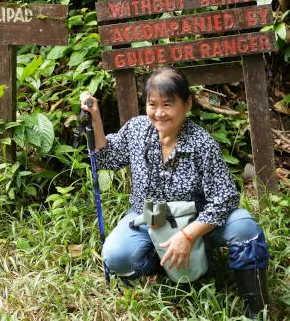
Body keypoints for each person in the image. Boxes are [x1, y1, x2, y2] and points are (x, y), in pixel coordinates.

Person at [80, 66, 270, 319]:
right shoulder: (137, 130)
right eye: (152, 104)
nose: (159, 113)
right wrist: (95, 117)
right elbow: (106, 156)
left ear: (187, 104)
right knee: (117, 257)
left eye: (168, 105)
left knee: (244, 229)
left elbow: (225, 198)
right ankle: (163, 264)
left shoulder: (201, 143)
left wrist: (187, 236)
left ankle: (258, 308)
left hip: (197, 218)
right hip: (152, 215)